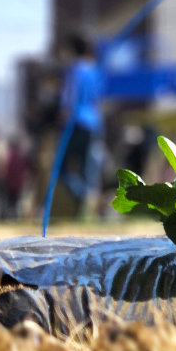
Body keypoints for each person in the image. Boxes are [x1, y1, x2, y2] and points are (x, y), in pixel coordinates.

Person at [59, 33, 103, 217]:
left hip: (76, 123)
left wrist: (63, 115)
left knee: (63, 168)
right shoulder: (94, 70)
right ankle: (89, 203)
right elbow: (97, 97)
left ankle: (82, 196)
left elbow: (69, 97)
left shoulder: (74, 70)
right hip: (94, 123)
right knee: (88, 168)